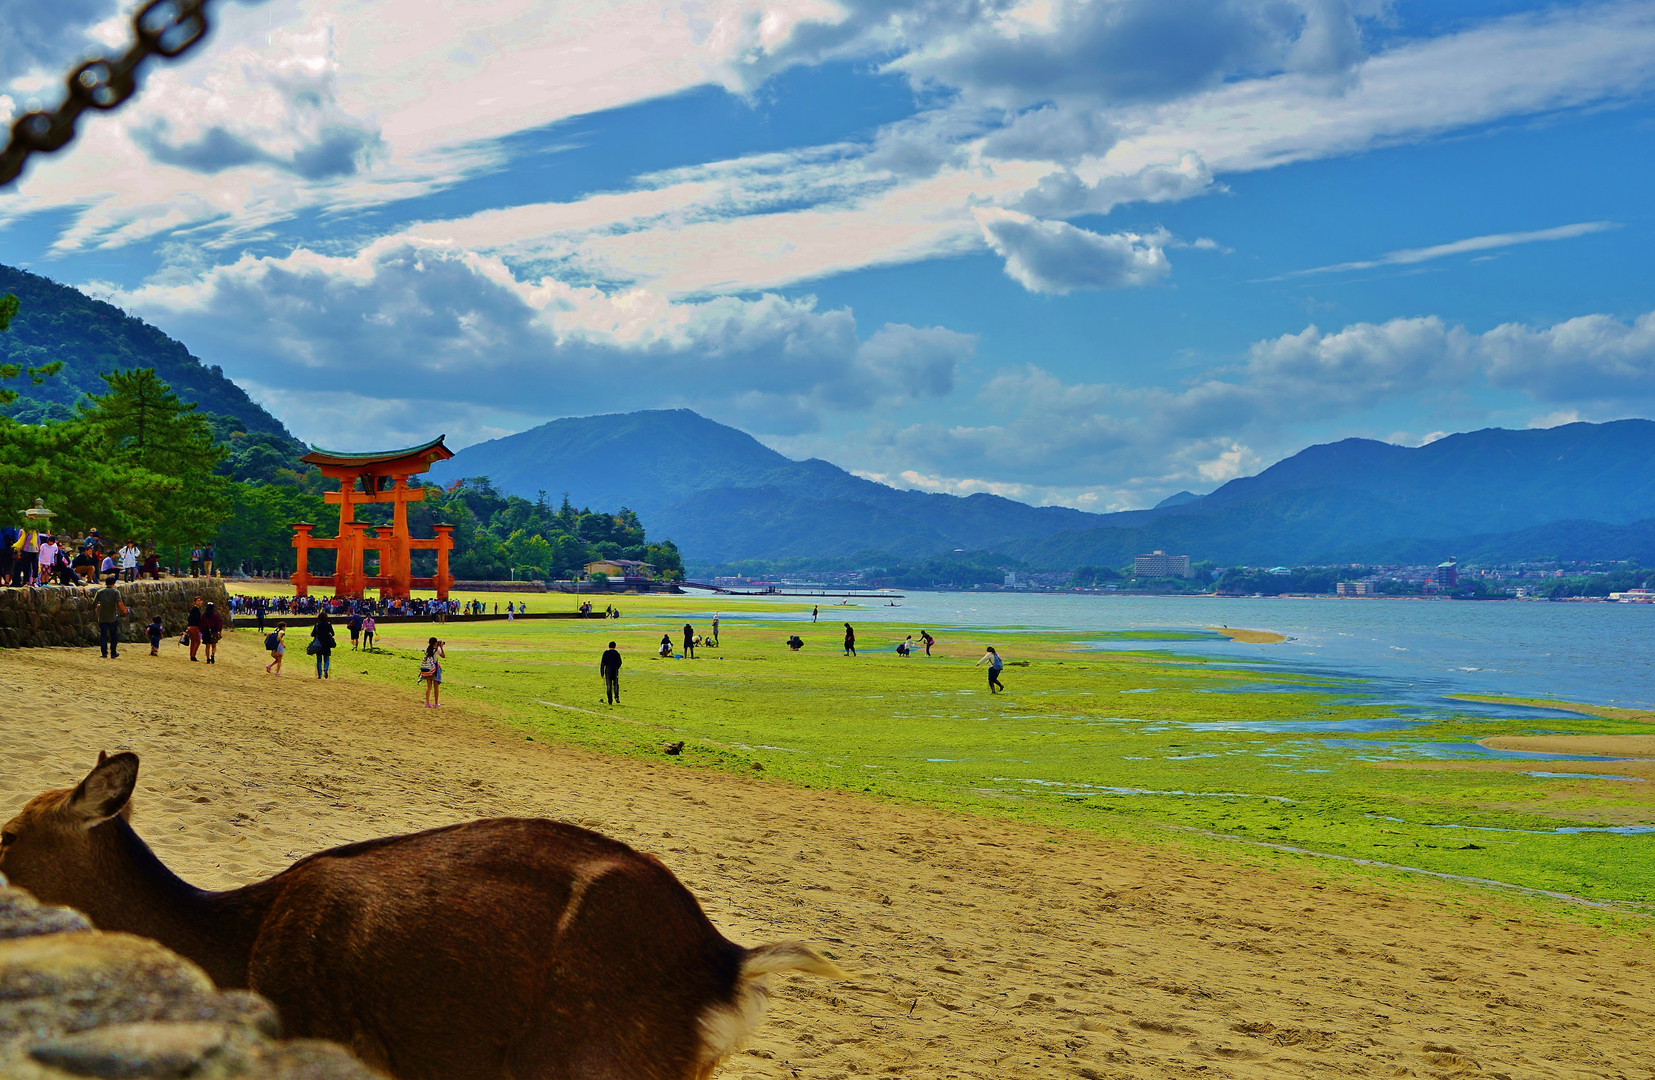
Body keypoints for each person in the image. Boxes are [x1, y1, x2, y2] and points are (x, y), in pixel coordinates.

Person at [93, 576, 127, 658]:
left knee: (103, 636)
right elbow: (119, 603)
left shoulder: (100, 592)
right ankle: (113, 653)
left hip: (102, 617)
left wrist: (99, 605)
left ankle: (104, 653)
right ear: (113, 583)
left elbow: (94, 603)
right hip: (112, 617)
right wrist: (124, 610)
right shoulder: (115, 592)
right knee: (113, 636)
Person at [420, 637, 445, 706]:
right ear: (435, 642)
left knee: (429, 687)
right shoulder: (437, 650)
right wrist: (441, 647)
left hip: (428, 669)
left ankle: (427, 702)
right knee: (436, 687)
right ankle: (436, 703)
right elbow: (443, 656)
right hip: (435, 669)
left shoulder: (428, 649)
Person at [310, 613, 336, 679]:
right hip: (327, 643)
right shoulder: (328, 625)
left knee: (319, 660)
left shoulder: (317, 625)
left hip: (318, 644)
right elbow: (333, 633)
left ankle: (319, 674)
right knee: (326, 658)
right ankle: (325, 668)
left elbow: (312, 634)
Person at [600, 640, 622, 705]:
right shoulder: (616, 653)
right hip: (615, 671)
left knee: (609, 686)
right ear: (615, 646)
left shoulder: (606, 653)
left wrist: (602, 672)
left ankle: (610, 700)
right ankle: (616, 696)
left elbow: (602, 663)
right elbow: (620, 662)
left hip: (608, 671)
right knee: (616, 685)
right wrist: (617, 668)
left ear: (608, 646)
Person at [185, 597, 204, 661]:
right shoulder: (196, 609)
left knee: (193, 641)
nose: (199, 602)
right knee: (197, 641)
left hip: (190, 626)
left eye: (200, 601)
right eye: (198, 601)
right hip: (194, 627)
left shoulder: (194, 609)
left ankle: (192, 655)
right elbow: (197, 619)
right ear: (195, 602)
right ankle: (193, 655)